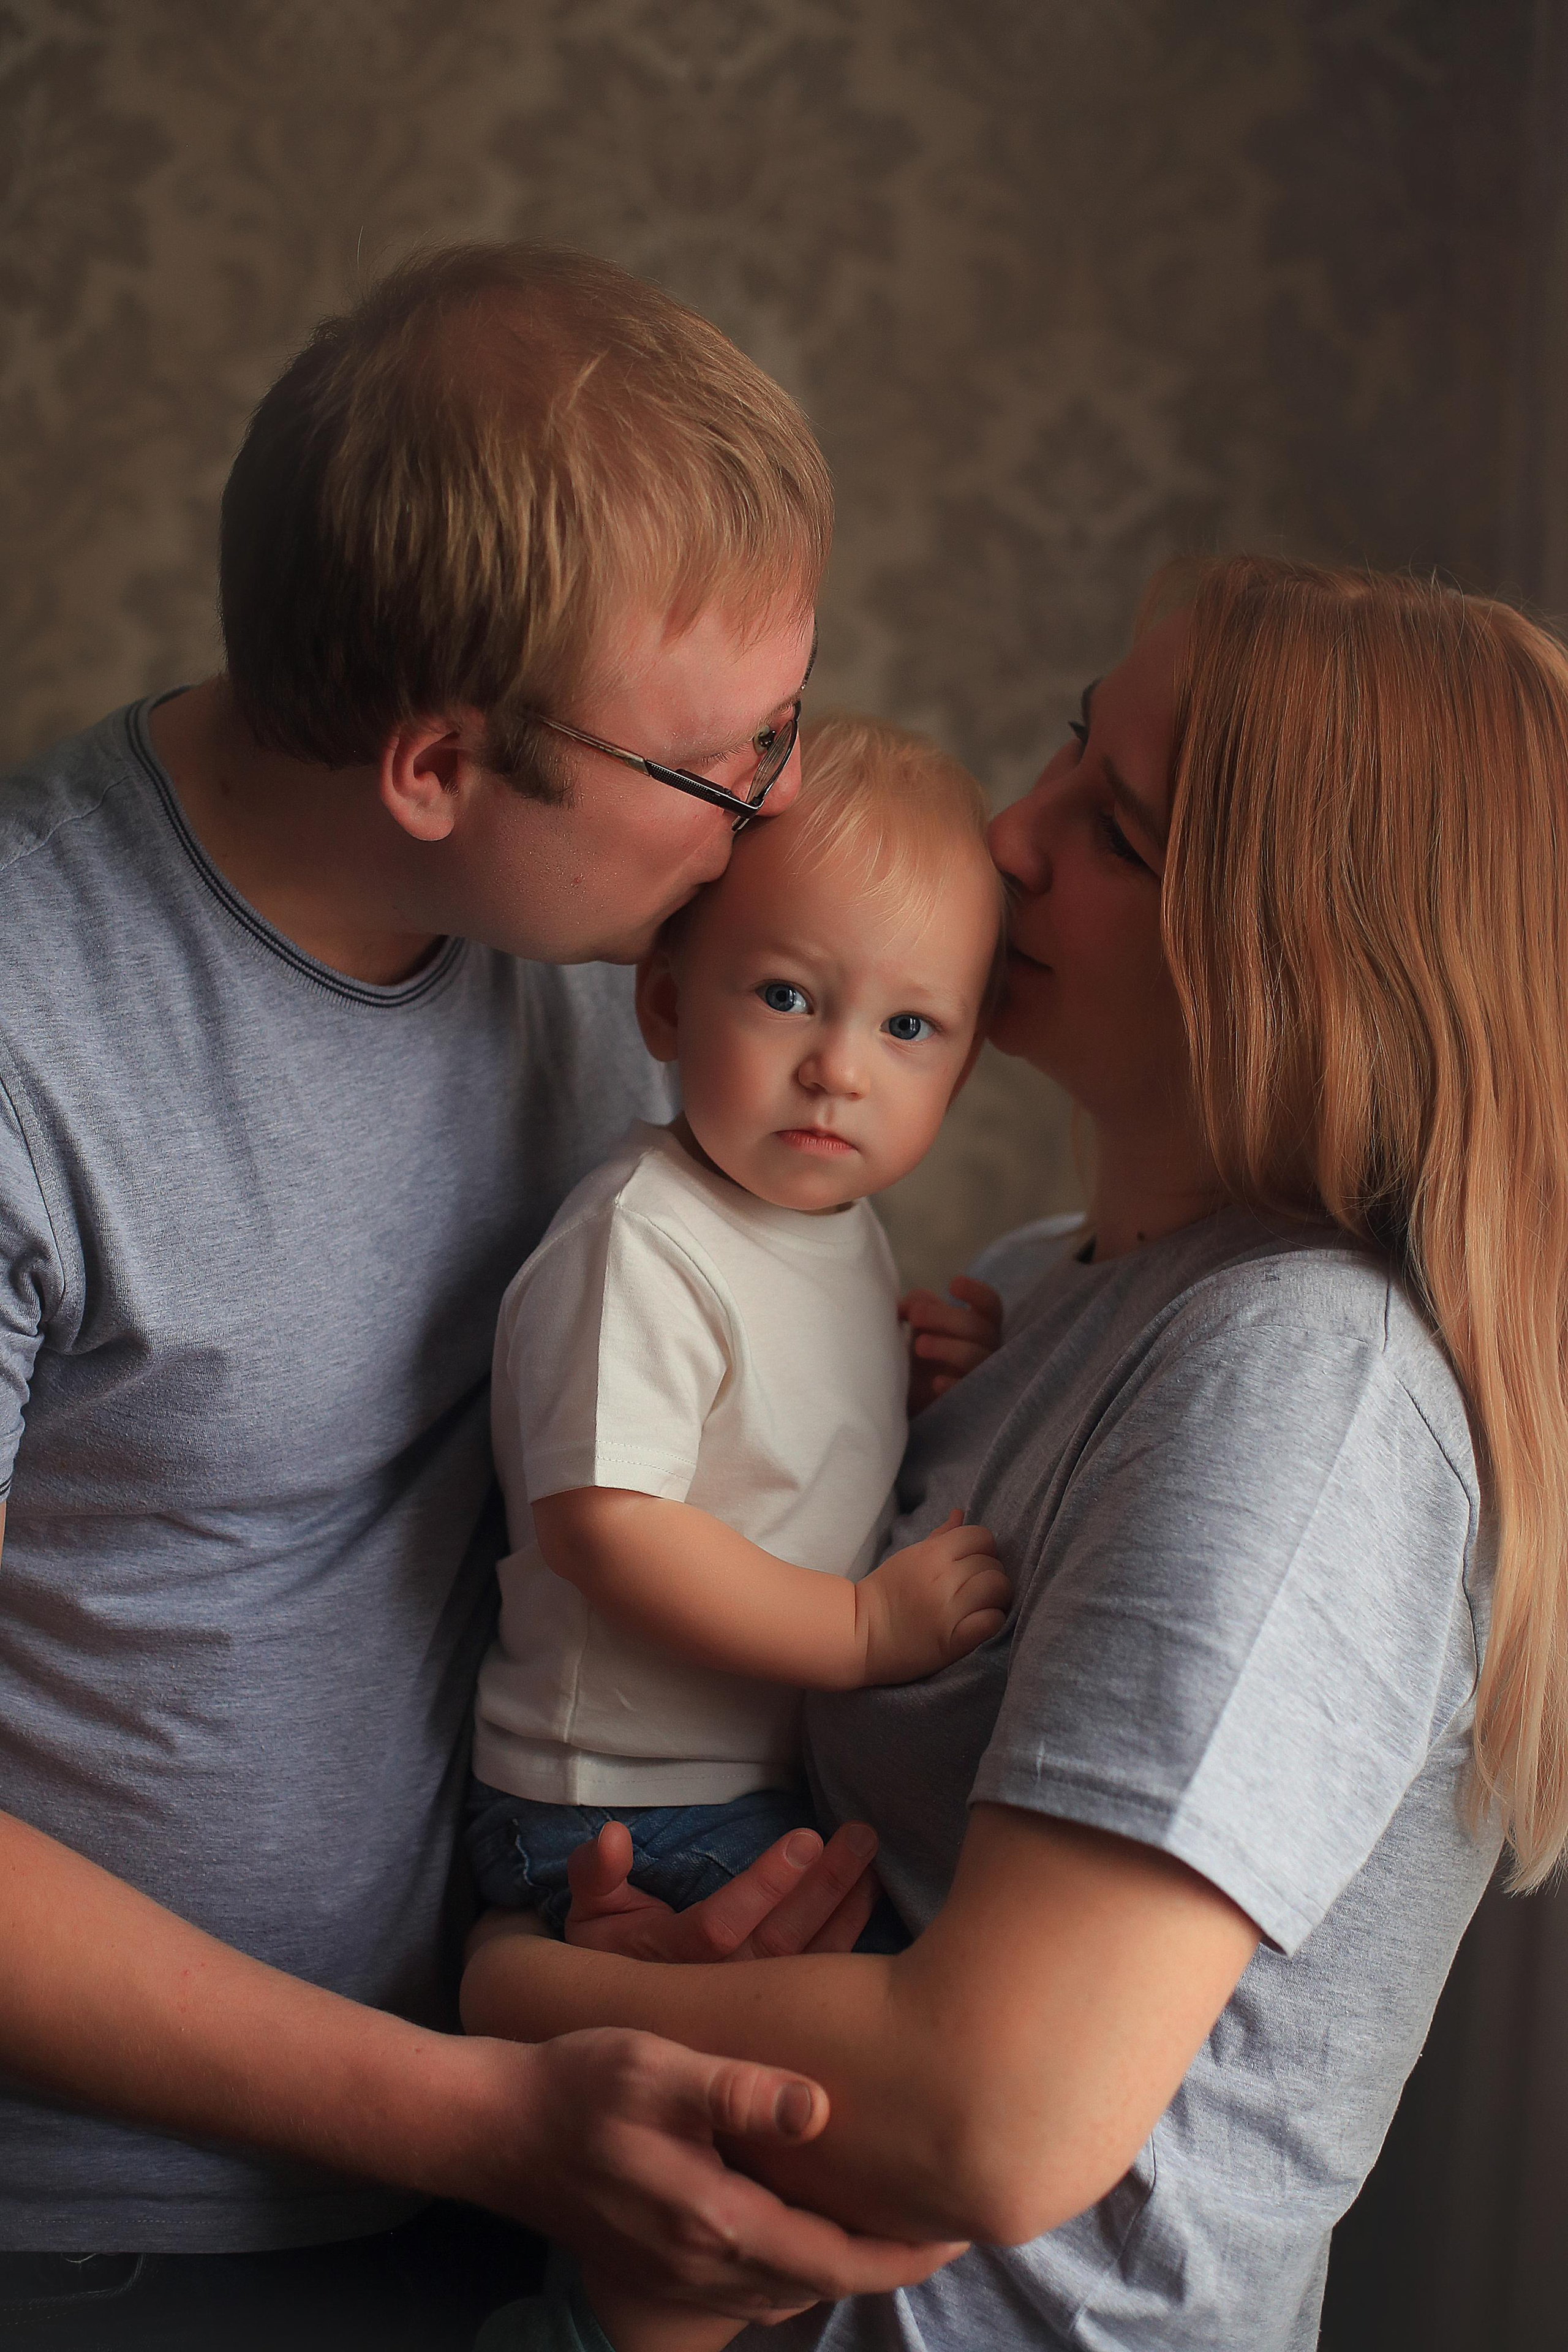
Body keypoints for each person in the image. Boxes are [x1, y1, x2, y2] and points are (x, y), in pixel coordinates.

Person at [0, 242, 954, 2346]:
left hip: (493, 2108)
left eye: (789, 720)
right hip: (101, 2230)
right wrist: (475, 2114)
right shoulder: (29, 1038)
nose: (778, 807)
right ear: (436, 765)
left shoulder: (584, 939)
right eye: (725, 762)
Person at [463, 554, 1568, 2351]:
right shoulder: (1019, 1290)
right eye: (1069, 751)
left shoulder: (1312, 1377)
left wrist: (521, 1995)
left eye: (1117, 830)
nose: (1010, 837)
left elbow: (998, 2116)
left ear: (1307, 955)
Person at [465, 715, 1009, 1958]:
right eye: (785, 997)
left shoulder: (839, 1237)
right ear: (663, 1006)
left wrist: (929, 1391)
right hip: (604, 1790)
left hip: (735, 1778)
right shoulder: (641, 1239)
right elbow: (607, 1527)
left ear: (960, 1072)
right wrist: (860, 1631)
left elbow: (774, 1455)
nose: (836, 1070)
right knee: (879, 1982)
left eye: (906, 1029)